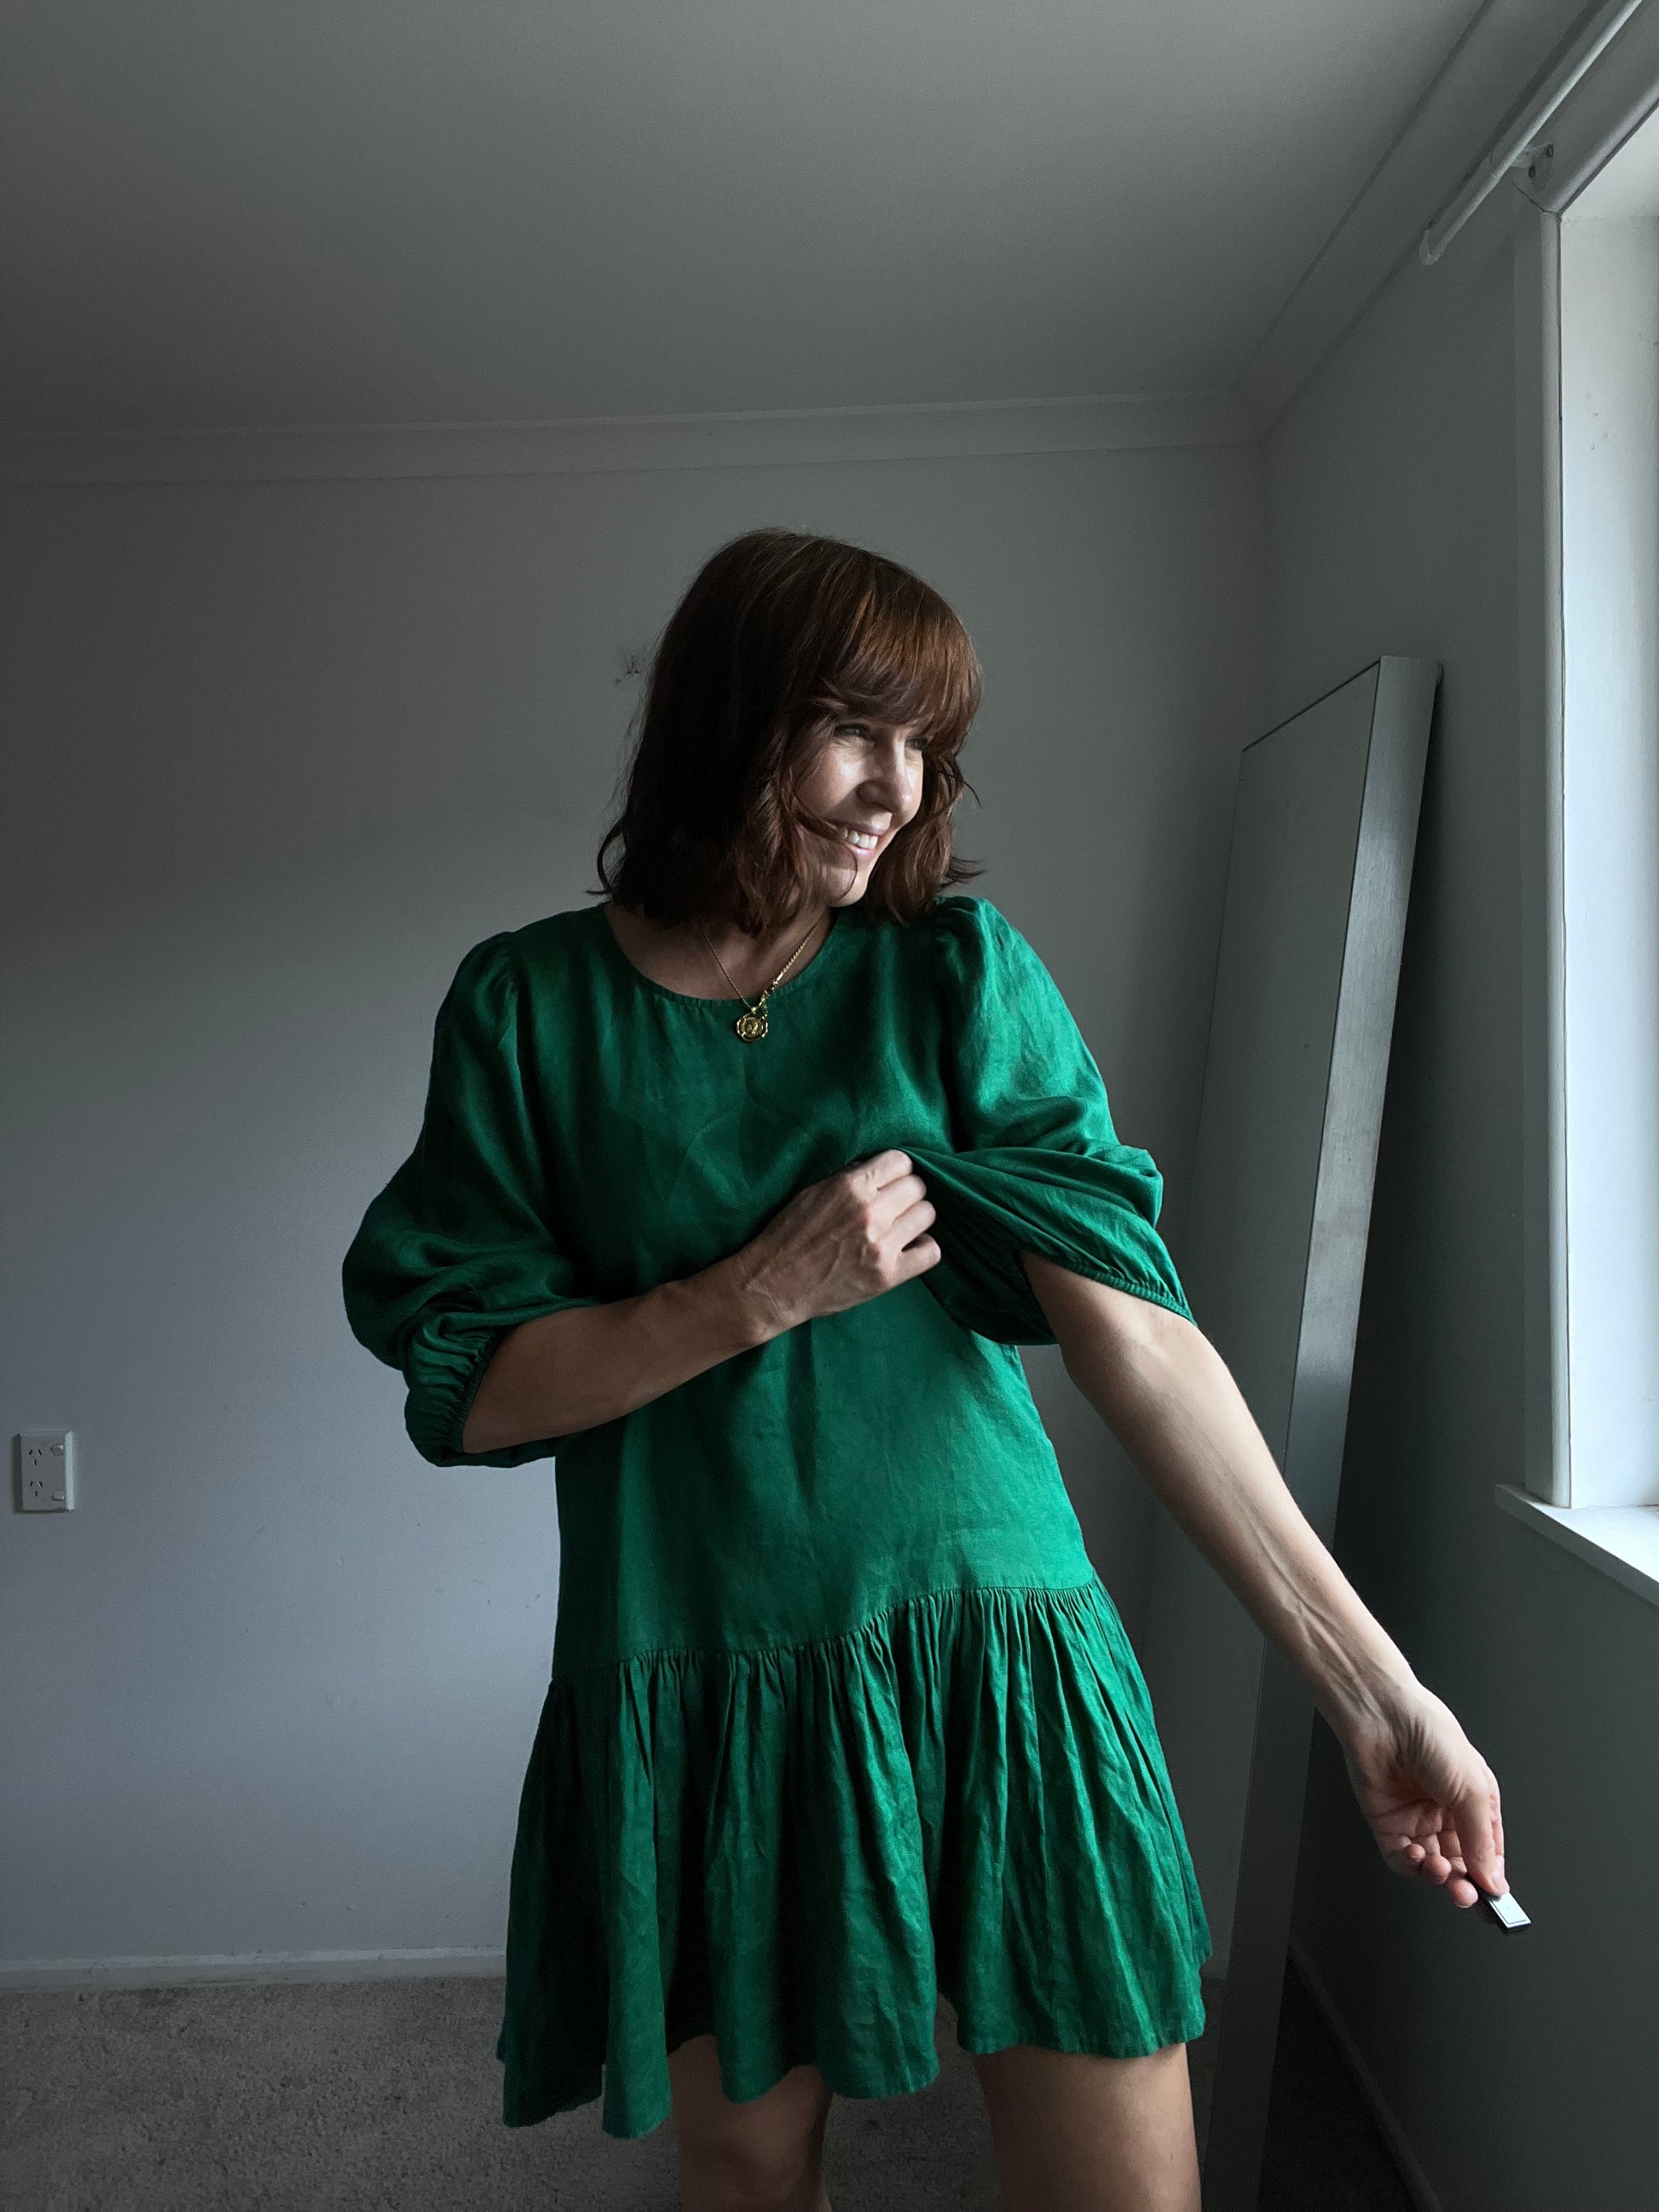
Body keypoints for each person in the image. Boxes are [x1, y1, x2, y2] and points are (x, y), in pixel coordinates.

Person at [341, 528, 1506, 2212]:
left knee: (1121, 2172)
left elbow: (1138, 1338)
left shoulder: (955, 974)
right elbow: (476, 1389)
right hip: (699, 1676)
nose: (896, 790)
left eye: (927, 747)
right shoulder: (527, 1007)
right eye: (852, 729)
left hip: (1000, 1650)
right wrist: (750, 1294)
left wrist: (1380, 1696)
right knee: (749, 2168)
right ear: (727, 715)